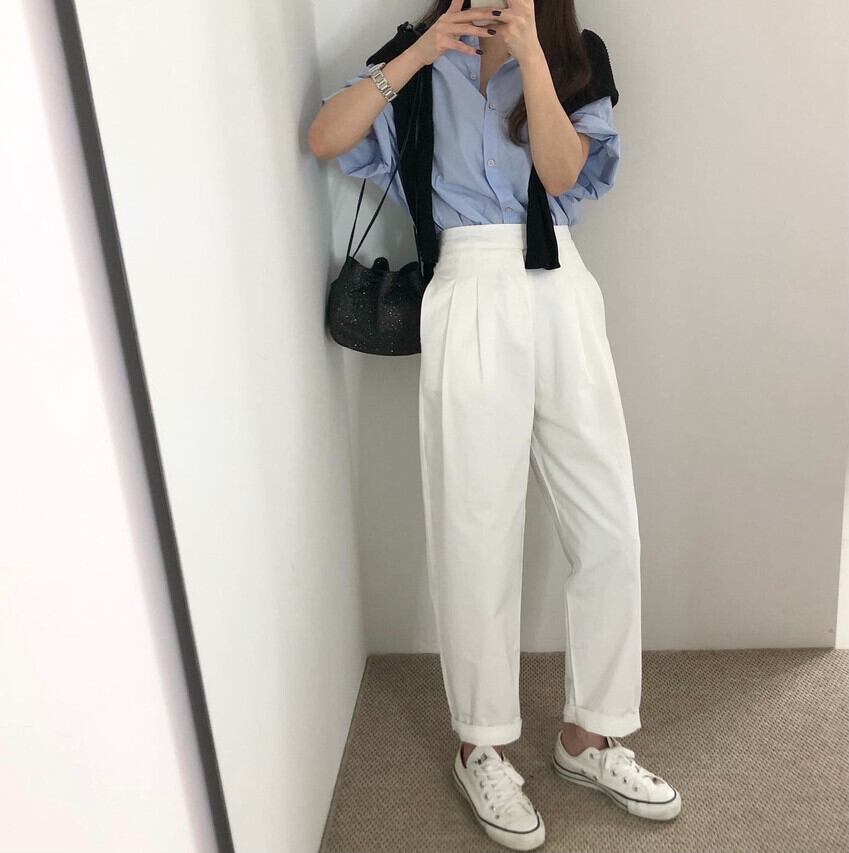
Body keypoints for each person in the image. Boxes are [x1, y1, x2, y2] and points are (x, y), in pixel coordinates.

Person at [309, 1, 681, 848]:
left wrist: (532, 61)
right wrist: (418, 54)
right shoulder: (416, 57)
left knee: (607, 523)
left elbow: (562, 174)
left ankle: (590, 735)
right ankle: (479, 745)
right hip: (466, 285)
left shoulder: (576, 53)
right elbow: (326, 138)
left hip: (560, 290)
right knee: (474, 526)